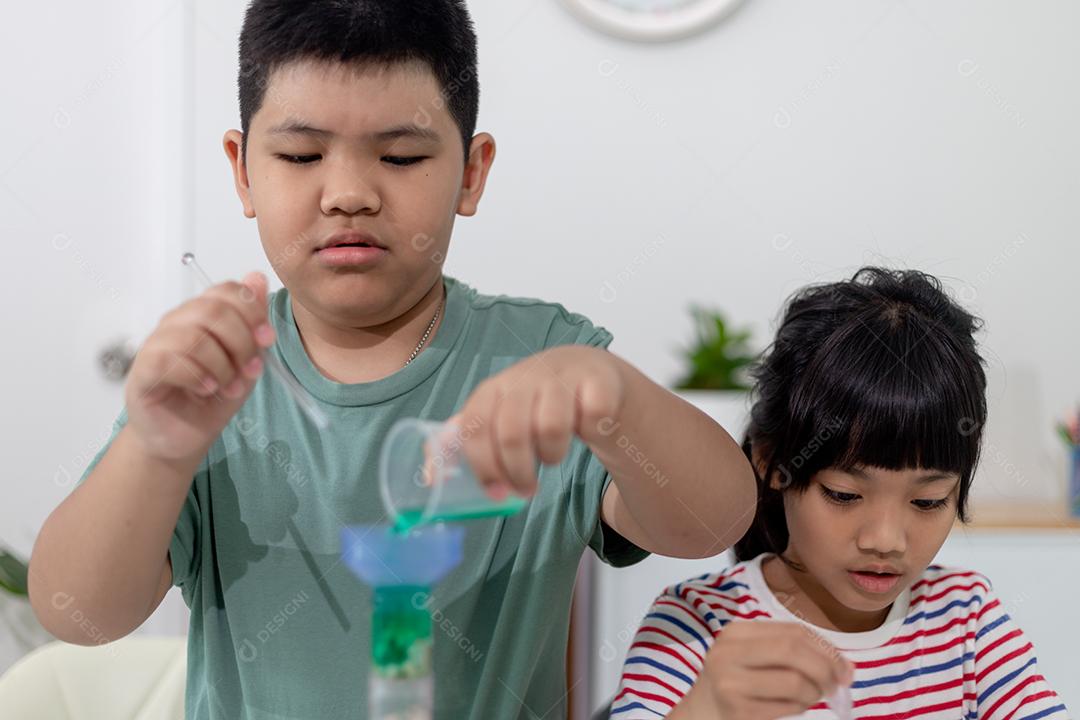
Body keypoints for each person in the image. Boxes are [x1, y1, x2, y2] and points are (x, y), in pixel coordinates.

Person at [28, 2, 757, 718]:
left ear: (471, 173)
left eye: (401, 156)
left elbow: (710, 524)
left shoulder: (541, 363)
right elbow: (78, 613)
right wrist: (155, 448)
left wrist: (613, 398)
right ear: (243, 171)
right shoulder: (208, 383)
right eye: (301, 155)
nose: (349, 194)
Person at [612, 267, 1069, 720]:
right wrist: (708, 710)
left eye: (927, 501)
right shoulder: (697, 624)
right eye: (844, 495)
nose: (886, 540)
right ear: (771, 462)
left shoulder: (965, 618)